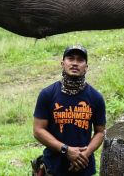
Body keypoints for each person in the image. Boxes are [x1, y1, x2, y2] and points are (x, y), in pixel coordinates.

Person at [32, 45, 106, 175]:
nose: (75, 63)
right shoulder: (48, 94)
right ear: (62, 63)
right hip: (53, 168)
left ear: (86, 67)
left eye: (80, 60)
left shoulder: (95, 97)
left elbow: (100, 132)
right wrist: (66, 150)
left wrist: (85, 153)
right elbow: (38, 130)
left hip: (84, 168)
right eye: (70, 59)